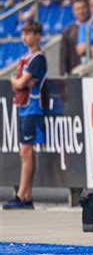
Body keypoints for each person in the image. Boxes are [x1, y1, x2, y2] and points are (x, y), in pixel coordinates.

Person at [3, 21, 47, 210]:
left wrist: (17, 81)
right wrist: (17, 81)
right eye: (23, 33)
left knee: (26, 151)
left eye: (29, 33)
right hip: (23, 107)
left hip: (33, 107)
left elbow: (20, 82)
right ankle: (26, 194)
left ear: (37, 35)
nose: (25, 37)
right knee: (26, 152)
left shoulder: (38, 58)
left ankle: (22, 195)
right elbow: (16, 81)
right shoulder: (24, 57)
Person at [59, 0, 89, 75]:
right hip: (75, 71)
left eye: (83, 8)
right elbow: (63, 57)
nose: (81, 12)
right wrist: (64, 75)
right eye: (78, 9)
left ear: (88, 8)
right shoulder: (68, 31)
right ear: (73, 11)